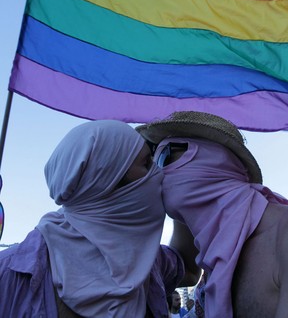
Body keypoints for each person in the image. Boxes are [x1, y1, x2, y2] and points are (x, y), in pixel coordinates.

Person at [0, 119, 199, 318]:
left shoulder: (146, 260)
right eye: (147, 164)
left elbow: (189, 270)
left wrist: (182, 189)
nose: (160, 175)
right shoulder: (9, 273)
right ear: (107, 182)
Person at [137, 111, 288, 318]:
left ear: (217, 159)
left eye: (164, 156)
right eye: (150, 163)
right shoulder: (215, 262)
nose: (154, 174)